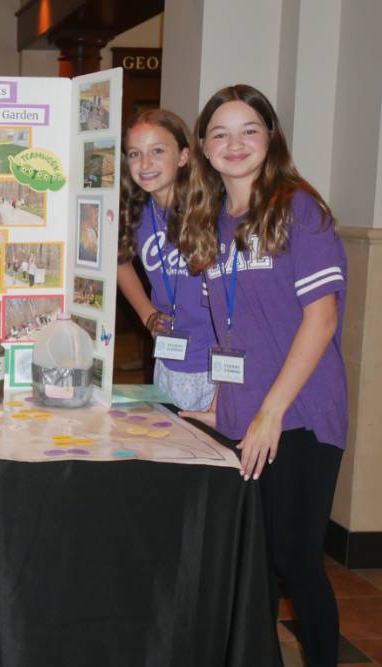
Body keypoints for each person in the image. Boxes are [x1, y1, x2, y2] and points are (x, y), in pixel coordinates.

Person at [180, 85, 347, 667]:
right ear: (204, 147)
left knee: (296, 561)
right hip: (245, 415)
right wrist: (222, 403)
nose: (235, 144)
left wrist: (269, 414)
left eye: (249, 130)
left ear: (270, 138)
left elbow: (321, 321)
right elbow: (234, 326)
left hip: (299, 415)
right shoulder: (212, 222)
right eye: (220, 133)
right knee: (253, 562)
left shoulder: (299, 209)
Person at [117, 108, 217, 411]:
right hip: (169, 361)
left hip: (218, 367)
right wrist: (147, 314)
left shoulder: (212, 211)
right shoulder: (136, 214)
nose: (145, 163)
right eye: (135, 154)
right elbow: (119, 261)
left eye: (157, 151)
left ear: (183, 156)